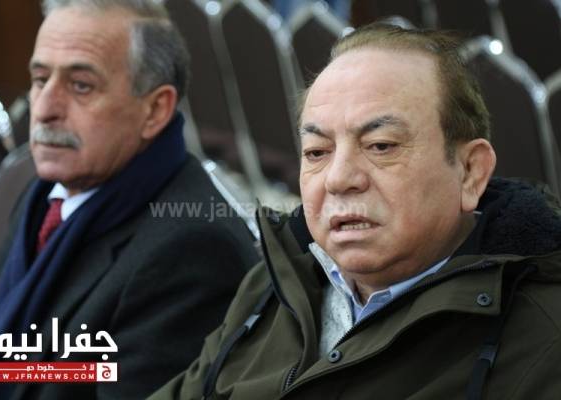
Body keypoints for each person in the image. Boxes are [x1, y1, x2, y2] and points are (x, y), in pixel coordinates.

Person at [150, 24, 561, 399]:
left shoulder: (543, 341)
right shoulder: (275, 281)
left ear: (470, 172)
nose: (338, 178)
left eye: (380, 146)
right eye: (317, 152)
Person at [0, 0, 259, 398]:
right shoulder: (39, 193)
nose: (44, 109)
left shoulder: (193, 251)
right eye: (40, 79)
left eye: (81, 86)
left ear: (155, 110)